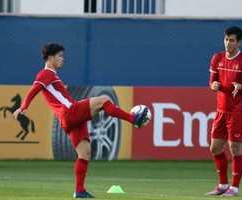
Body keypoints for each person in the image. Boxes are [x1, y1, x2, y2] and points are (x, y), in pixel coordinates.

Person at [12, 43, 148, 198]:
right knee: (103, 100)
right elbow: (34, 90)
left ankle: (80, 191)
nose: (62, 59)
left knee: (85, 153)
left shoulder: (52, 75)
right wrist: (23, 107)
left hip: (68, 120)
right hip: (70, 112)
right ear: (50, 57)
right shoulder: (46, 73)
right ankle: (133, 119)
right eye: (60, 56)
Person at [206, 26, 242, 197]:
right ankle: (222, 185)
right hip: (220, 111)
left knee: (235, 148)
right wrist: (213, 85)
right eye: (226, 39)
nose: (228, 43)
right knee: (215, 148)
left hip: (237, 112)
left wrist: (241, 87)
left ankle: (234, 188)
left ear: (239, 42)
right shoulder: (217, 58)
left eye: (232, 40)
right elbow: (212, 80)